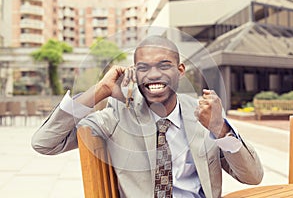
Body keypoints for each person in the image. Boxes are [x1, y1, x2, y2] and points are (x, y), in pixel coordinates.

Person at [31, 35, 263, 198]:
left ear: (180, 71)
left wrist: (220, 129)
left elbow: (253, 177)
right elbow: (44, 143)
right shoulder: (117, 116)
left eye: (164, 65)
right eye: (143, 67)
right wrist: (99, 90)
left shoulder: (204, 115)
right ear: (134, 72)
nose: (153, 75)